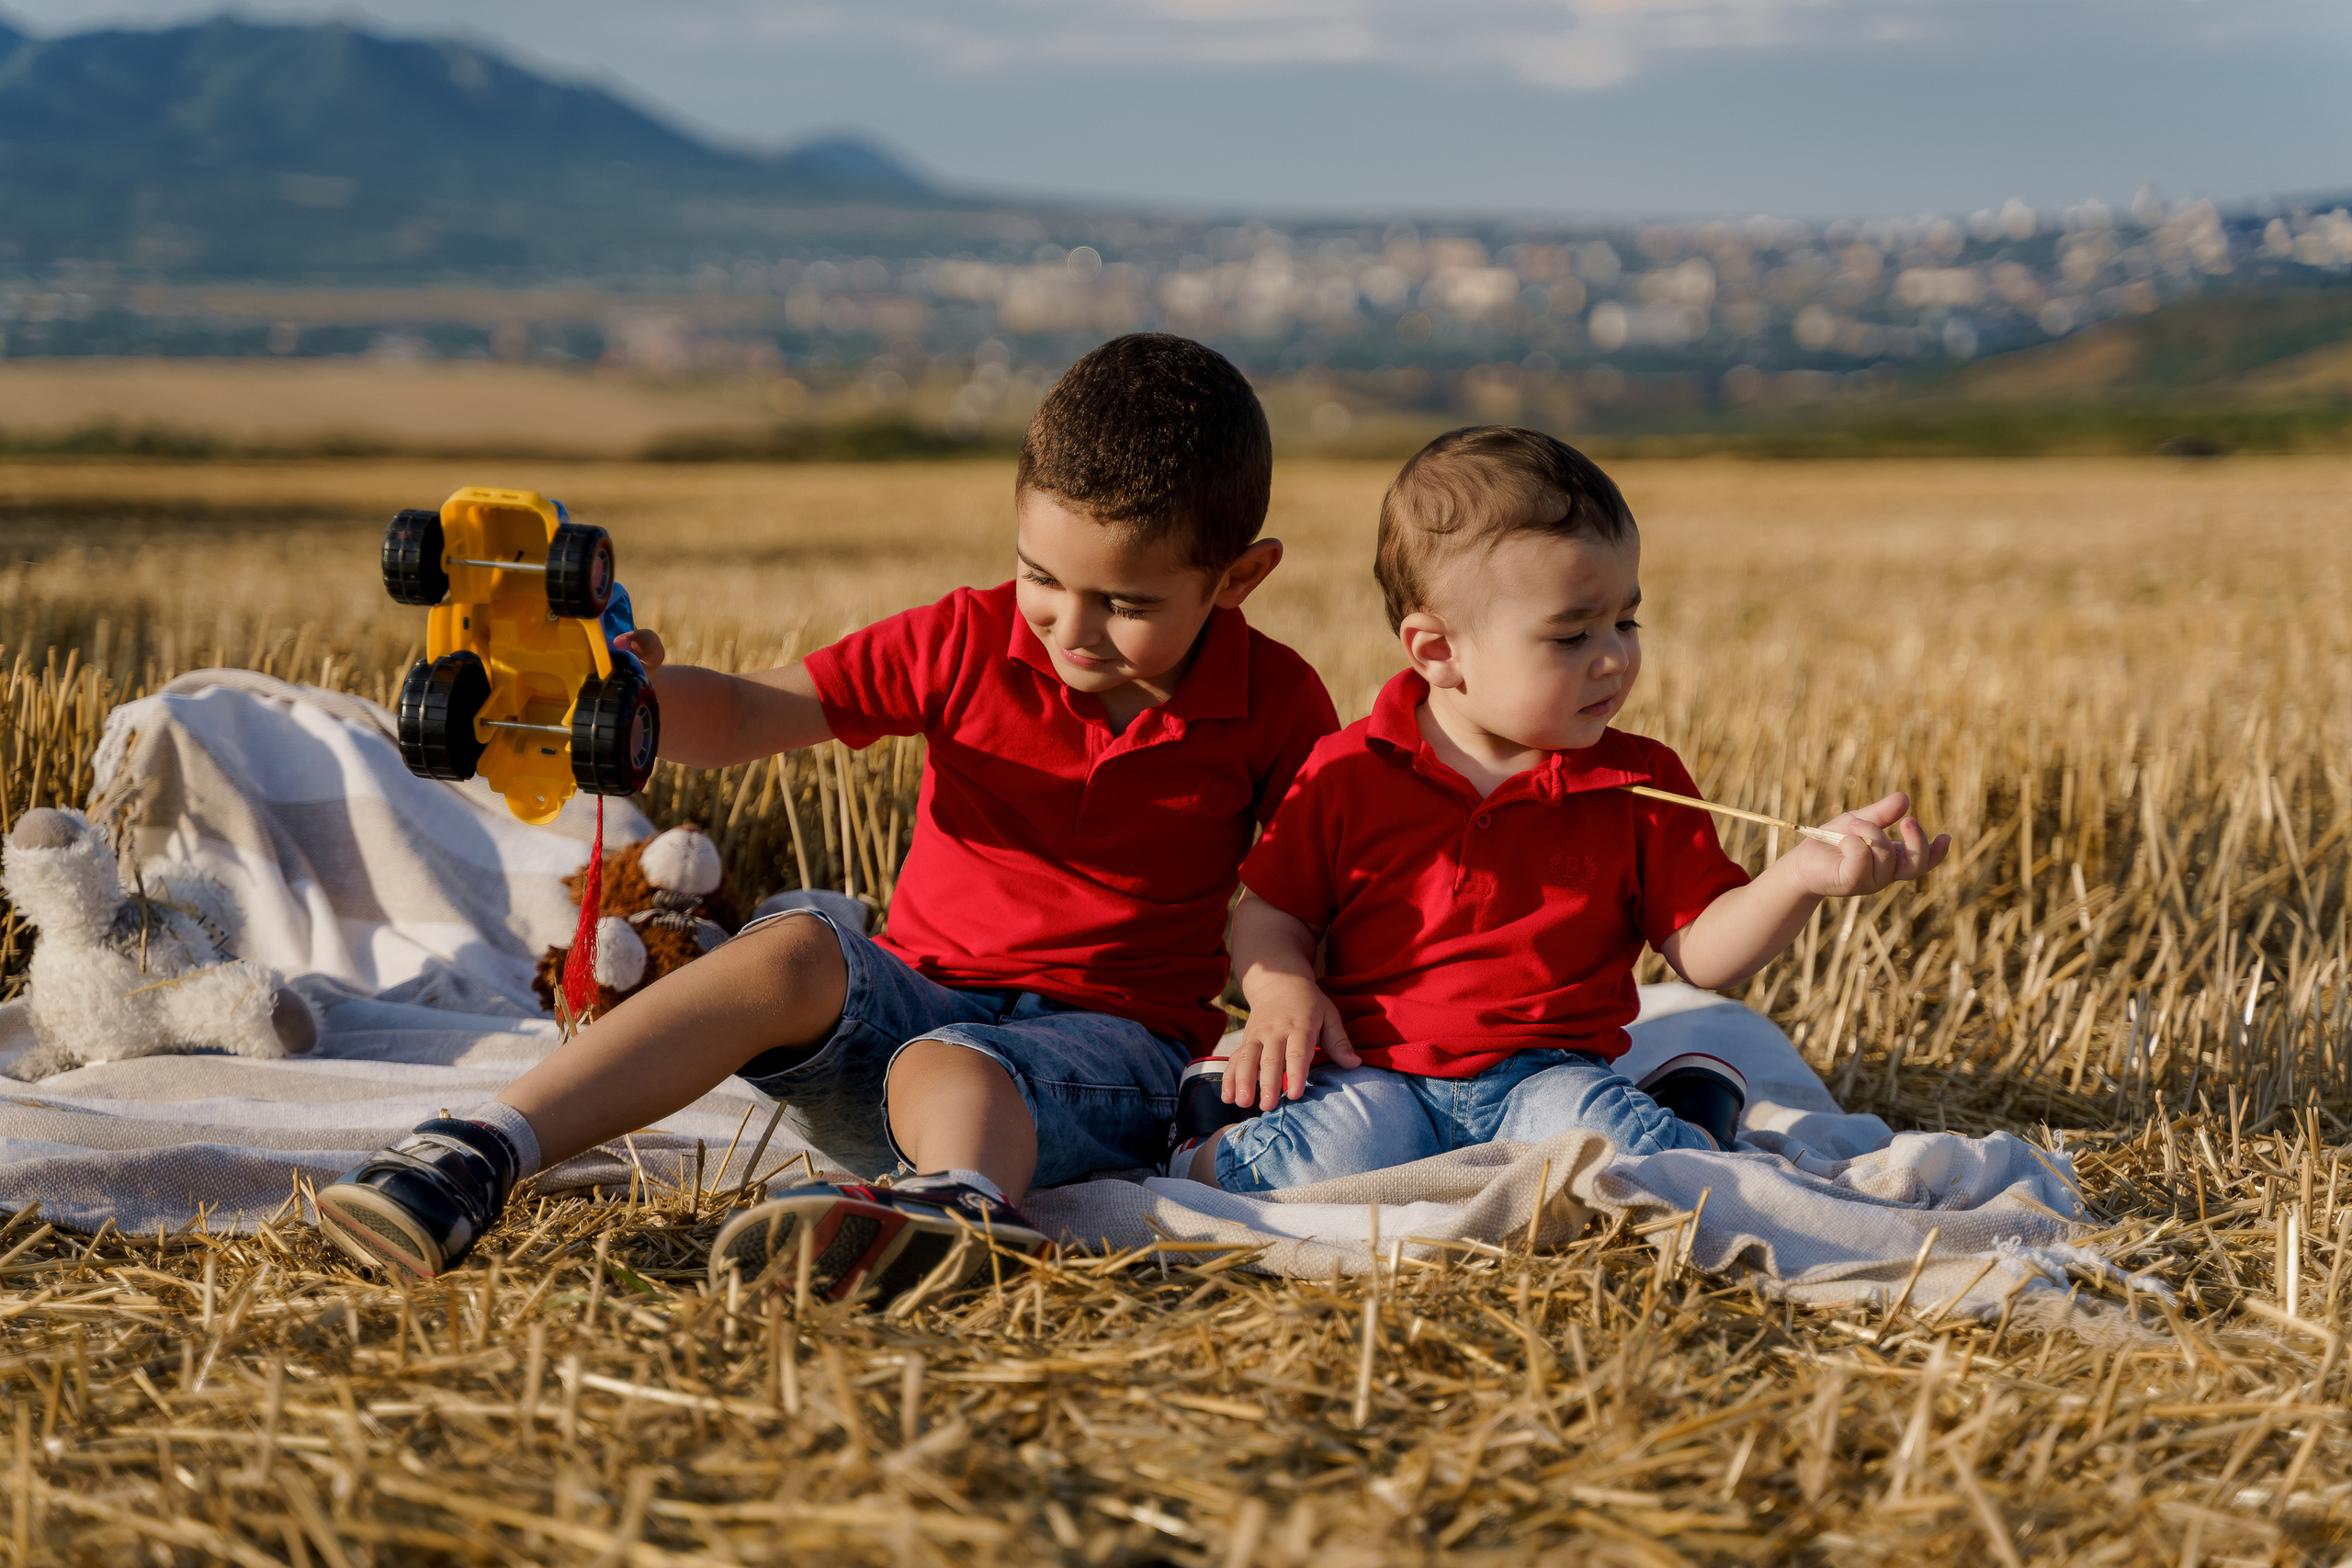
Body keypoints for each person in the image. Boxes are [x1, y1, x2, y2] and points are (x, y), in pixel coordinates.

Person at [319, 333, 1339, 1305]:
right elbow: (757, 711)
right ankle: (480, 1153)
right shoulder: (963, 641)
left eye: (1122, 603)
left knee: (959, 1064)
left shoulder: (1279, 703)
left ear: (1239, 577)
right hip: (906, 1023)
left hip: (1108, 1064)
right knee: (794, 945)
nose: (1069, 628)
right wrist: (630, 705)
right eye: (1040, 578)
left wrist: (1285, 990)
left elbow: (1297, 892)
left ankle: (959, 1211)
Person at [1170, 426, 1950, 1191]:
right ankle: (1210, 1124)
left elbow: (1704, 953)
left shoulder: (1637, 782)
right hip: (1374, 1074)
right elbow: (1272, 912)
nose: (1615, 655)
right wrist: (1282, 992)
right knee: (1309, 1165)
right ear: (1438, 650)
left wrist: (1799, 879)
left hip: (1547, 1079)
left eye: (1625, 620)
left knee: (1627, 1159)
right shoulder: (1351, 770)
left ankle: (1690, 1111)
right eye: (1573, 634)